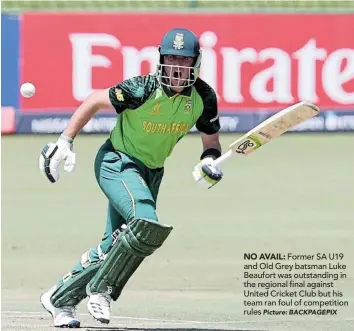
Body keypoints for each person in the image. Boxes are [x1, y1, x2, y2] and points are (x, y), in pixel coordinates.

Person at [38, 27, 223, 328]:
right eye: (171, 58)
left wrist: (210, 163)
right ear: (161, 60)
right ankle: (101, 290)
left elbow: (211, 143)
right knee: (145, 224)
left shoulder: (204, 97)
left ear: (196, 63)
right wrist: (64, 142)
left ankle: (60, 299)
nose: (177, 67)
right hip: (117, 162)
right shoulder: (142, 89)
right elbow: (94, 101)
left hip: (151, 172)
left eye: (184, 60)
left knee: (116, 245)